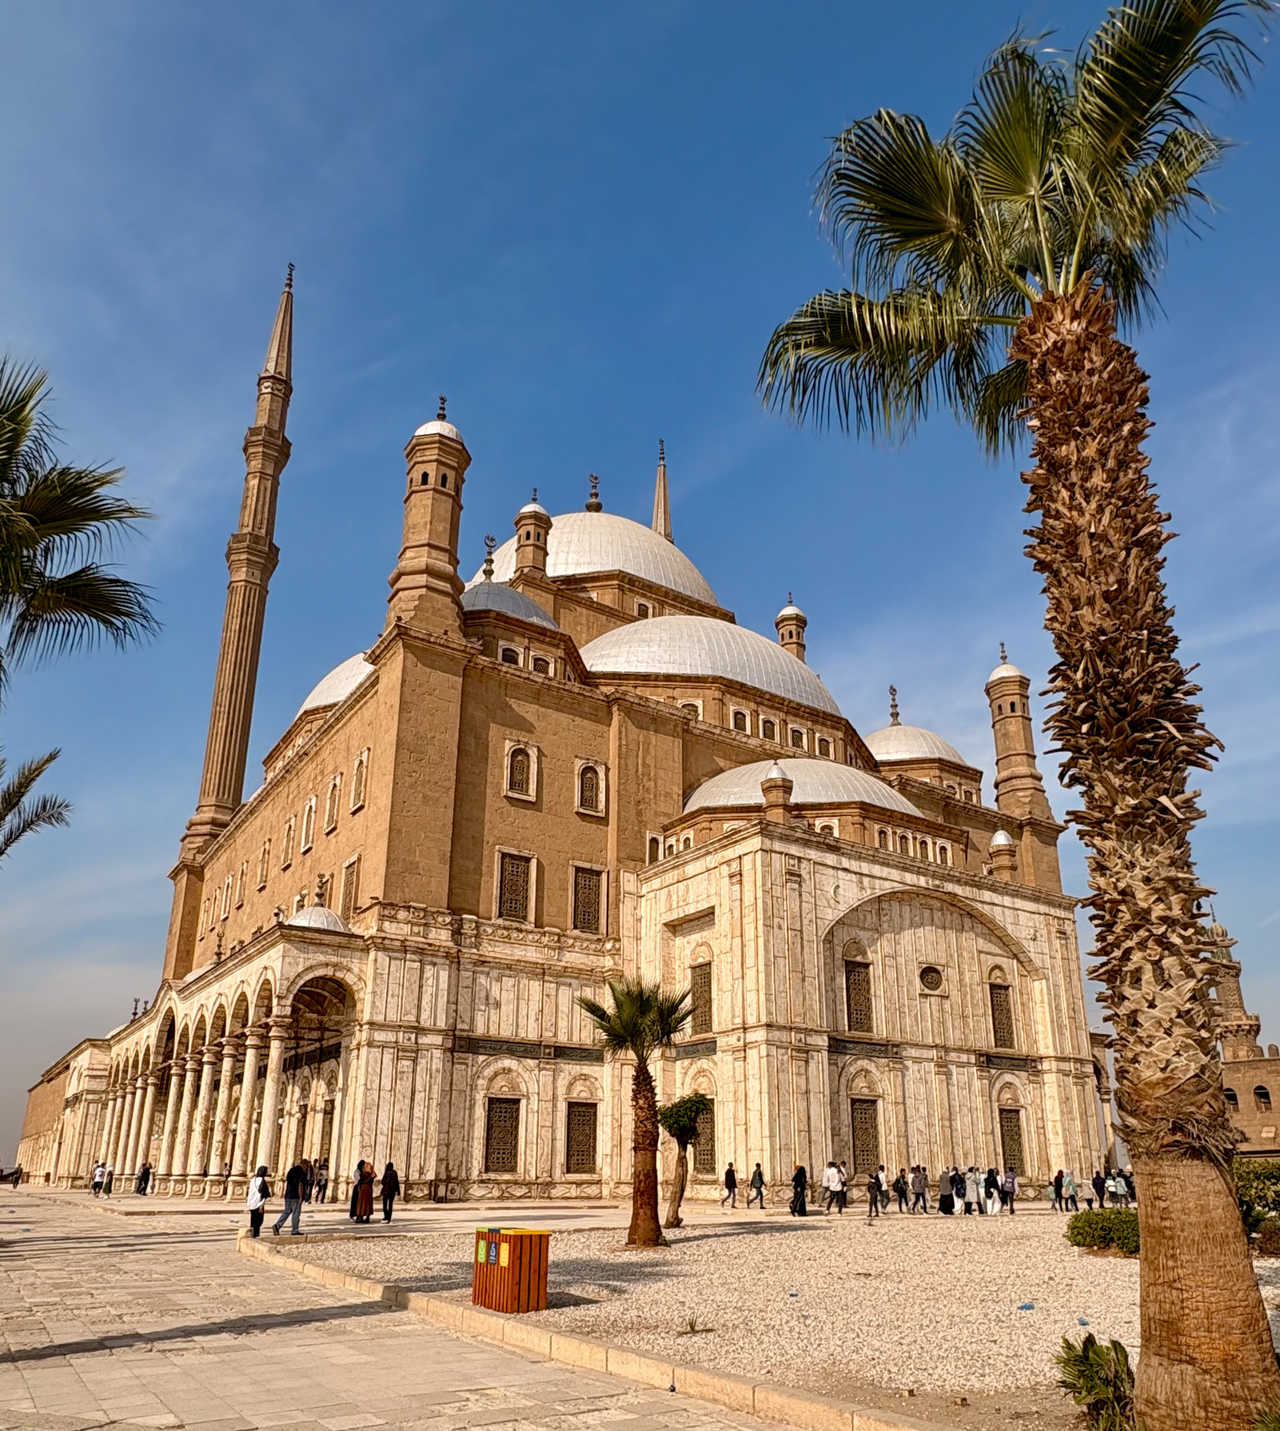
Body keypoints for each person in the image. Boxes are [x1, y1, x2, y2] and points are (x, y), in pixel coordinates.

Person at [273, 1160, 308, 1235]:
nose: (307, 1168)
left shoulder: (291, 1170)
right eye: (306, 1166)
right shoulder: (301, 1172)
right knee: (296, 1213)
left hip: (288, 1195)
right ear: (304, 1165)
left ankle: (277, 1225)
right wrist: (301, 1197)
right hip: (296, 1196)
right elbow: (300, 1184)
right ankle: (295, 1230)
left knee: (287, 1211)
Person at [246, 1165, 271, 1238]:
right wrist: (261, 1206)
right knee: (259, 1221)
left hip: (252, 1203)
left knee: (253, 1220)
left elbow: (250, 1192)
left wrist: (248, 1203)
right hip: (259, 1204)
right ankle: (256, 1234)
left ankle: (252, 1234)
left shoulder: (253, 1180)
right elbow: (263, 1194)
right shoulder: (262, 1181)